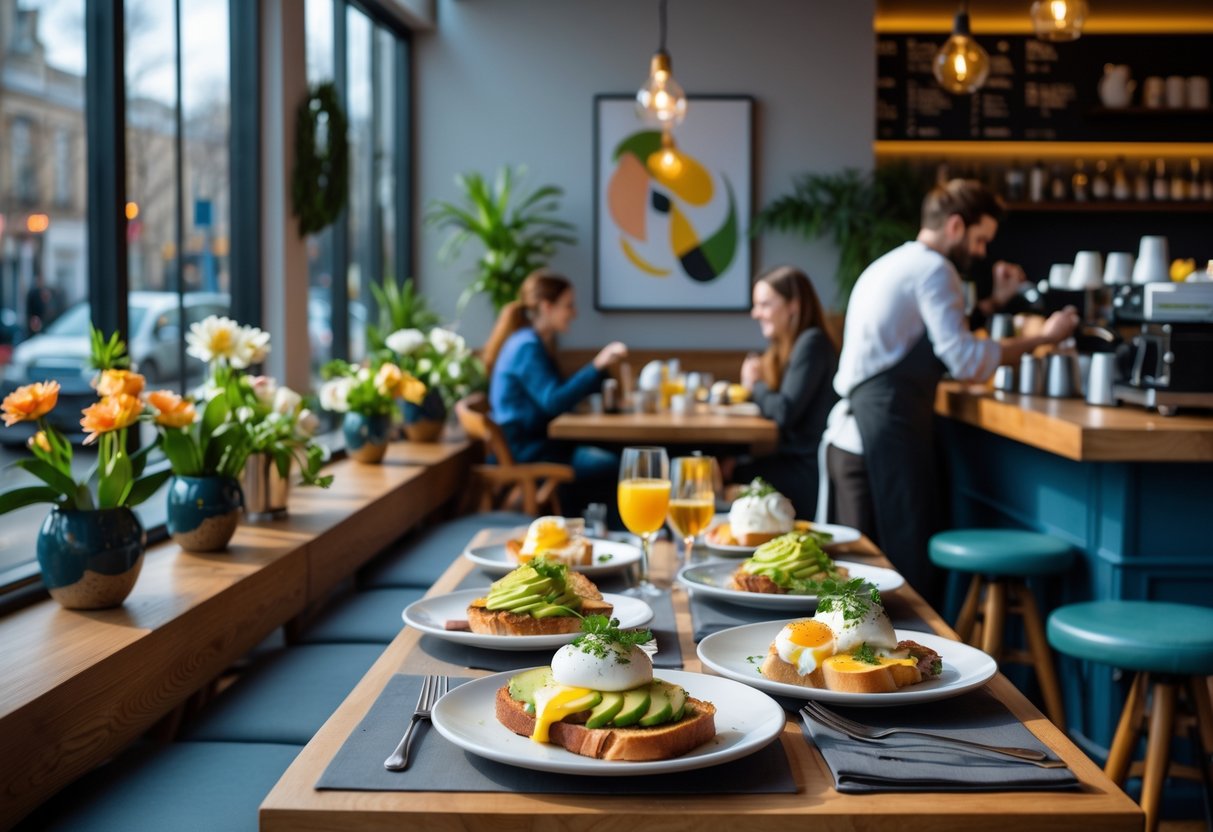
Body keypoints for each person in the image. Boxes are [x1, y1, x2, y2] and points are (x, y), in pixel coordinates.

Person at [825, 179, 1079, 605]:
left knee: (870, 578)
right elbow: (966, 362)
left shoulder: (895, 263)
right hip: (886, 427)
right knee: (903, 564)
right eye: (981, 240)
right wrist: (1045, 338)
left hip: (861, 431)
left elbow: (938, 339)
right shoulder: (935, 269)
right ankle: (913, 660)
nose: (981, 252)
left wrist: (993, 304)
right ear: (957, 225)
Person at [484, 270, 628, 511]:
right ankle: (603, 529)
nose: (574, 313)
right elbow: (553, 400)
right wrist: (597, 365)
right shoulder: (527, 347)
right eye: (568, 306)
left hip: (535, 444)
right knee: (617, 464)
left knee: (615, 454)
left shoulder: (530, 342)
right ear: (547, 306)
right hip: (529, 451)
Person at [731, 266, 837, 519]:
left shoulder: (812, 343)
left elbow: (783, 411)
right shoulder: (795, 345)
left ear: (793, 306)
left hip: (807, 471)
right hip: (794, 462)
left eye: (765, 304)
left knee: (725, 471)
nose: (756, 313)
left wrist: (754, 384)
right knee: (724, 465)